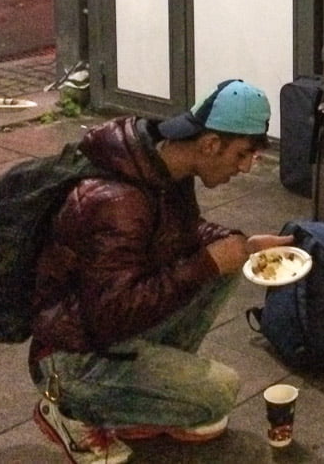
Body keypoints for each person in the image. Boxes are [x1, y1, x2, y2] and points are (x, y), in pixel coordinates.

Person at [29, 80, 293, 464]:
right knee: (219, 393)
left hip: (104, 330)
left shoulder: (164, 164)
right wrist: (209, 261)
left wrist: (243, 245)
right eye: (242, 155)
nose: (247, 167)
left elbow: (183, 233)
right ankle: (71, 413)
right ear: (209, 145)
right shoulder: (116, 201)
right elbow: (112, 313)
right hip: (70, 357)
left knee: (230, 263)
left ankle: (150, 394)